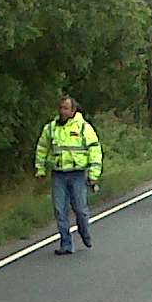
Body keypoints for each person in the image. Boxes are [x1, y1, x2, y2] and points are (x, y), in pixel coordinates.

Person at [35, 95, 103, 255]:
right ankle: (66, 243)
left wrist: (94, 174)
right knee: (60, 210)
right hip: (58, 174)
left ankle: (84, 232)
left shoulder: (83, 128)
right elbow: (42, 148)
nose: (62, 111)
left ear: (73, 110)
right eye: (61, 108)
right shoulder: (51, 128)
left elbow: (94, 150)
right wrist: (40, 169)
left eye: (66, 108)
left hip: (77, 174)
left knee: (80, 209)